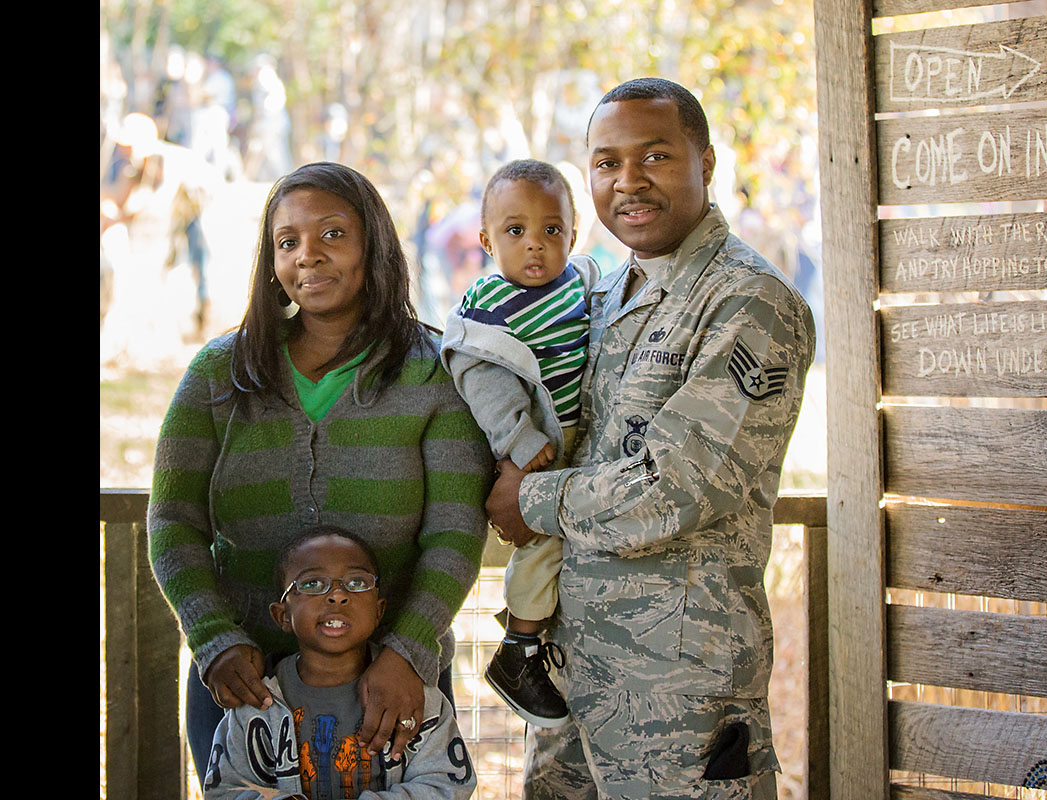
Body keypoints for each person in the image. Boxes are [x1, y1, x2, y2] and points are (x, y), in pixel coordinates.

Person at [485, 78, 816, 799]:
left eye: (655, 156)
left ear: (707, 162)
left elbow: (676, 489)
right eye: (606, 163)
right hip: (573, 675)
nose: (627, 182)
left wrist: (531, 498)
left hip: (678, 698)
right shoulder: (600, 294)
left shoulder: (747, 303)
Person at [147, 162, 492, 778]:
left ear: (373, 246)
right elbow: (173, 521)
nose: (308, 256)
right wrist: (215, 639)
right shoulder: (215, 374)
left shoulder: (432, 372)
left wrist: (408, 653)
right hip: (244, 686)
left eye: (332, 234)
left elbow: (455, 531)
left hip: (389, 686)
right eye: (288, 242)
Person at [439, 159, 601, 729]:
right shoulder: (488, 304)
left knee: (566, 544)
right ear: (485, 239)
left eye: (551, 230)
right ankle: (519, 651)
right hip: (536, 445)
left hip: (577, 438)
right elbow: (480, 377)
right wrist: (517, 438)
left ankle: (528, 614)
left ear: (573, 235)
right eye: (515, 231)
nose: (535, 246)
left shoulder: (579, 283)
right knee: (545, 542)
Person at [203, 526, 476, 799]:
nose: (337, 595)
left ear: (379, 610)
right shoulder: (257, 705)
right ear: (282, 616)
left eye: (357, 583)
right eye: (312, 584)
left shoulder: (413, 697)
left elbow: (446, 786)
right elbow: (225, 790)